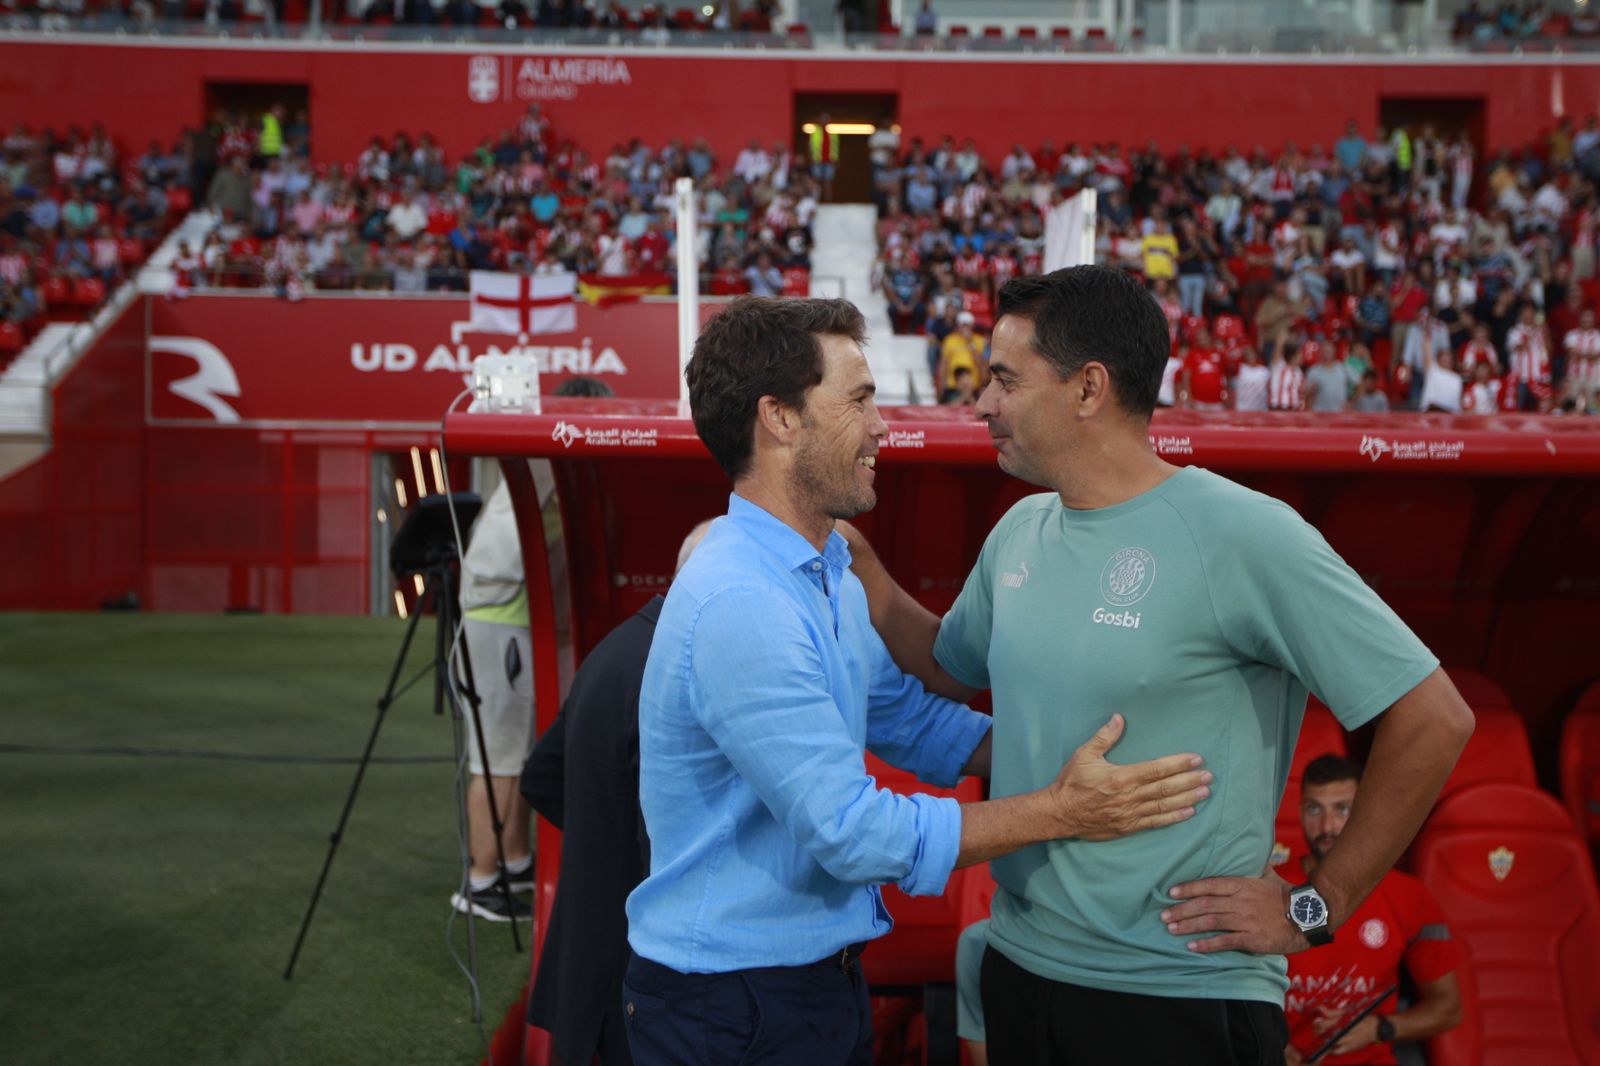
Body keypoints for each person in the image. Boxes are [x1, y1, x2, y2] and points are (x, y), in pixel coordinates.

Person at [846, 266, 1474, 1065]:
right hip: (1021, 969)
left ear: (1088, 388)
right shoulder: (1019, 530)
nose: (983, 404)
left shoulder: (1245, 534)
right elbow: (946, 667)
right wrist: (861, 564)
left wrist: (1316, 908)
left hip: (1181, 996)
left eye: (1005, 379)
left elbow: (1434, 717)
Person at [623, 295, 1213, 1066]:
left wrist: (1079, 750)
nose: (881, 427)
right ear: (780, 418)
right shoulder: (744, 601)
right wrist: (1063, 809)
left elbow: (907, 719)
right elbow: (853, 834)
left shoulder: (824, 570)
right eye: (859, 401)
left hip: (801, 987)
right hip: (733, 1006)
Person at [521, 522, 714, 1066]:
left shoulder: (622, 644)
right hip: (636, 971)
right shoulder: (673, 667)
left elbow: (541, 777)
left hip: (590, 952)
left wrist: (600, 839)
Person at [1283, 756, 1464, 1065]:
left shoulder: (1408, 896)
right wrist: (1267, 1044)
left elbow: (1448, 1009)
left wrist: (1381, 1028)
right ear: (1299, 812)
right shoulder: (1273, 889)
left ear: (1364, 811)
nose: (1327, 826)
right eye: (1314, 809)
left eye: (1342, 809)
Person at [451, 475, 537, 922]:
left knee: (517, 754)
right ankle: (481, 880)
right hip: (500, 620)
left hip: (511, 617)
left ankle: (514, 861)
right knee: (499, 758)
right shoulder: (540, 465)